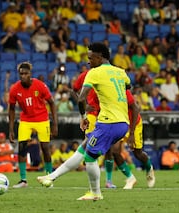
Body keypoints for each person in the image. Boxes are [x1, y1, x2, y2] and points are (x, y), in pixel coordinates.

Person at [41, 42, 131, 200]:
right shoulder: (121, 72)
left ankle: (95, 193)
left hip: (109, 123)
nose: (88, 62)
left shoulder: (94, 73)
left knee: (90, 157)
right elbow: (128, 87)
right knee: (83, 149)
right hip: (122, 122)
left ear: (99, 57)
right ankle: (51, 177)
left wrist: (83, 118)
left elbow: (81, 99)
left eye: (90, 58)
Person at [9, 62, 58, 188]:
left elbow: (52, 103)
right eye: (21, 74)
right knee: (22, 148)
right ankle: (23, 180)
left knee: (45, 148)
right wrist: (11, 130)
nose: (23, 76)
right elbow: (11, 109)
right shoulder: (15, 89)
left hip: (42, 119)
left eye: (25, 74)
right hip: (26, 120)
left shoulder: (40, 85)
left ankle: (49, 178)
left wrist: (55, 125)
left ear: (30, 74)